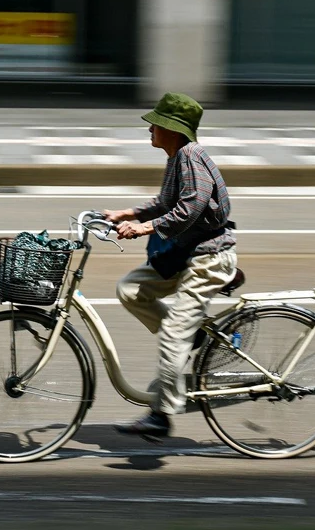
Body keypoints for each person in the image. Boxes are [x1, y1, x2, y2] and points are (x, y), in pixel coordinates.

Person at [103, 92, 237, 438]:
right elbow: (165, 203)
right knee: (131, 289)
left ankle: (162, 415)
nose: (149, 128)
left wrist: (145, 228)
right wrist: (127, 213)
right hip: (186, 254)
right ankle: (189, 337)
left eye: (156, 123)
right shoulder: (177, 157)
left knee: (173, 332)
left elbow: (191, 206)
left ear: (172, 129)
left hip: (208, 258)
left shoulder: (191, 156)